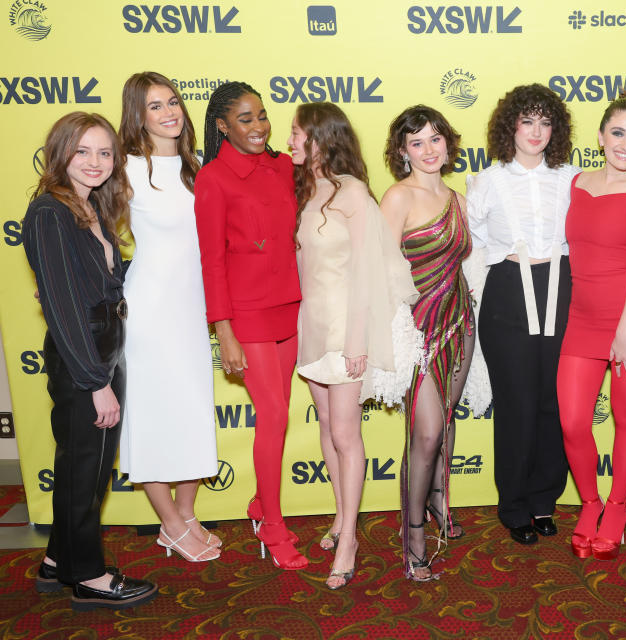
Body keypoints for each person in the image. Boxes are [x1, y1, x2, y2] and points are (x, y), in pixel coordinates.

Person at [24, 112, 158, 610]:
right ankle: (89, 577)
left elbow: (94, 283)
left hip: (105, 345)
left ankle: (59, 560)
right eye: (83, 151)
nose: (95, 162)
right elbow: (63, 308)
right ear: (61, 153)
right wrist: (95, 381)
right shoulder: (50, 213)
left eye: (105, 153)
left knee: (89, 467)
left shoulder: (86, 208)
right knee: (86, 467)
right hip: (85, 355)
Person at [290, 102, 420, 589]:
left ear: (322, 138)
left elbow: (369, 273)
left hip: (347, 330)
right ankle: (342, 518)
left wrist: (356, 341)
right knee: (327, 428)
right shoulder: (305, 189)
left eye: (298, 134)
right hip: (313, 327)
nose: (290, 142)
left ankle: (349, 540)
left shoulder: (353, 193)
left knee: (346, 435)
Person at [194, 81, 306, 570]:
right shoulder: (213, 179)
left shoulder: (283, 166)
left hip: (290, 306)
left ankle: (263, 504)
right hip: (249, 314)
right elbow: (211, 261)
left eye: (262, 115)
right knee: (274, 416)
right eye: (245, 118)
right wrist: (224, 330)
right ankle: (272, 525)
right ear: (222, 125)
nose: (259, 126)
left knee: (279, 415)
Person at [466, 84, 579, 545]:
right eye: (527, 121)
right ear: (509, 125)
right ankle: (513, 506)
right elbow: (470, 245)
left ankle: (544, 501)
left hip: (564, 289)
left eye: (545, 122)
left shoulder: (574, 178)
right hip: (508, 293)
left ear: (556, 129)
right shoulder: (486, 180)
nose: (536, 131)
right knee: (515, 404)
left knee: (555, 402)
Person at [117, 71, 220, 563]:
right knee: (154, 416)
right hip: (151, 312)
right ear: (138, 116)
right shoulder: (124, 168)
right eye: (155, 106)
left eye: (173, 101)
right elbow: (90, 228)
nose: (169, 112)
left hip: (193, 309)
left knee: (192, 412)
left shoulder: (197, 166)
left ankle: (188, 514)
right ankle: (171, 524)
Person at [558, 94, 626, 560]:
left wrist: (624, 332)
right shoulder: (578, 183)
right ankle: (590, 502)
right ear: (601, 137)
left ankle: (617, 507)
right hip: (581, 321)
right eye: (618, 132)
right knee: (574, 422)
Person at [381, 105, 474, 580]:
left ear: (448, 143)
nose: (429, 149)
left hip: (461, 322)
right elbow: (377, 272)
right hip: (417, 332)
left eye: (435, 139)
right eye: (417, 142)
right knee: (426, 434)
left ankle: (441, 498)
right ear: (402, 151)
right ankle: (412, 532)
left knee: (447, 422)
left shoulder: (459, 197)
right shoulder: (398, 197)